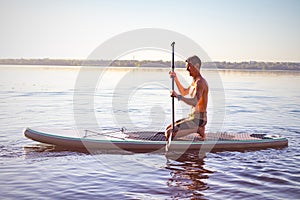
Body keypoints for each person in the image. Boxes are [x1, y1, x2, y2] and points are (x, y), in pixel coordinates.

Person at [165, 55, 208, 141]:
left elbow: (195, 102)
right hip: (192, 117)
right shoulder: (194, 81)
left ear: (196, 66)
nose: (186, 69)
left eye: (189, 66)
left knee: (169, 133)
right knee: (168, 128)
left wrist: (177, 96)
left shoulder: (200, 82)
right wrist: (176, 79)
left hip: (198, 119)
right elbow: (184, 92)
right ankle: (198, 128)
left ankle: (199, 129)